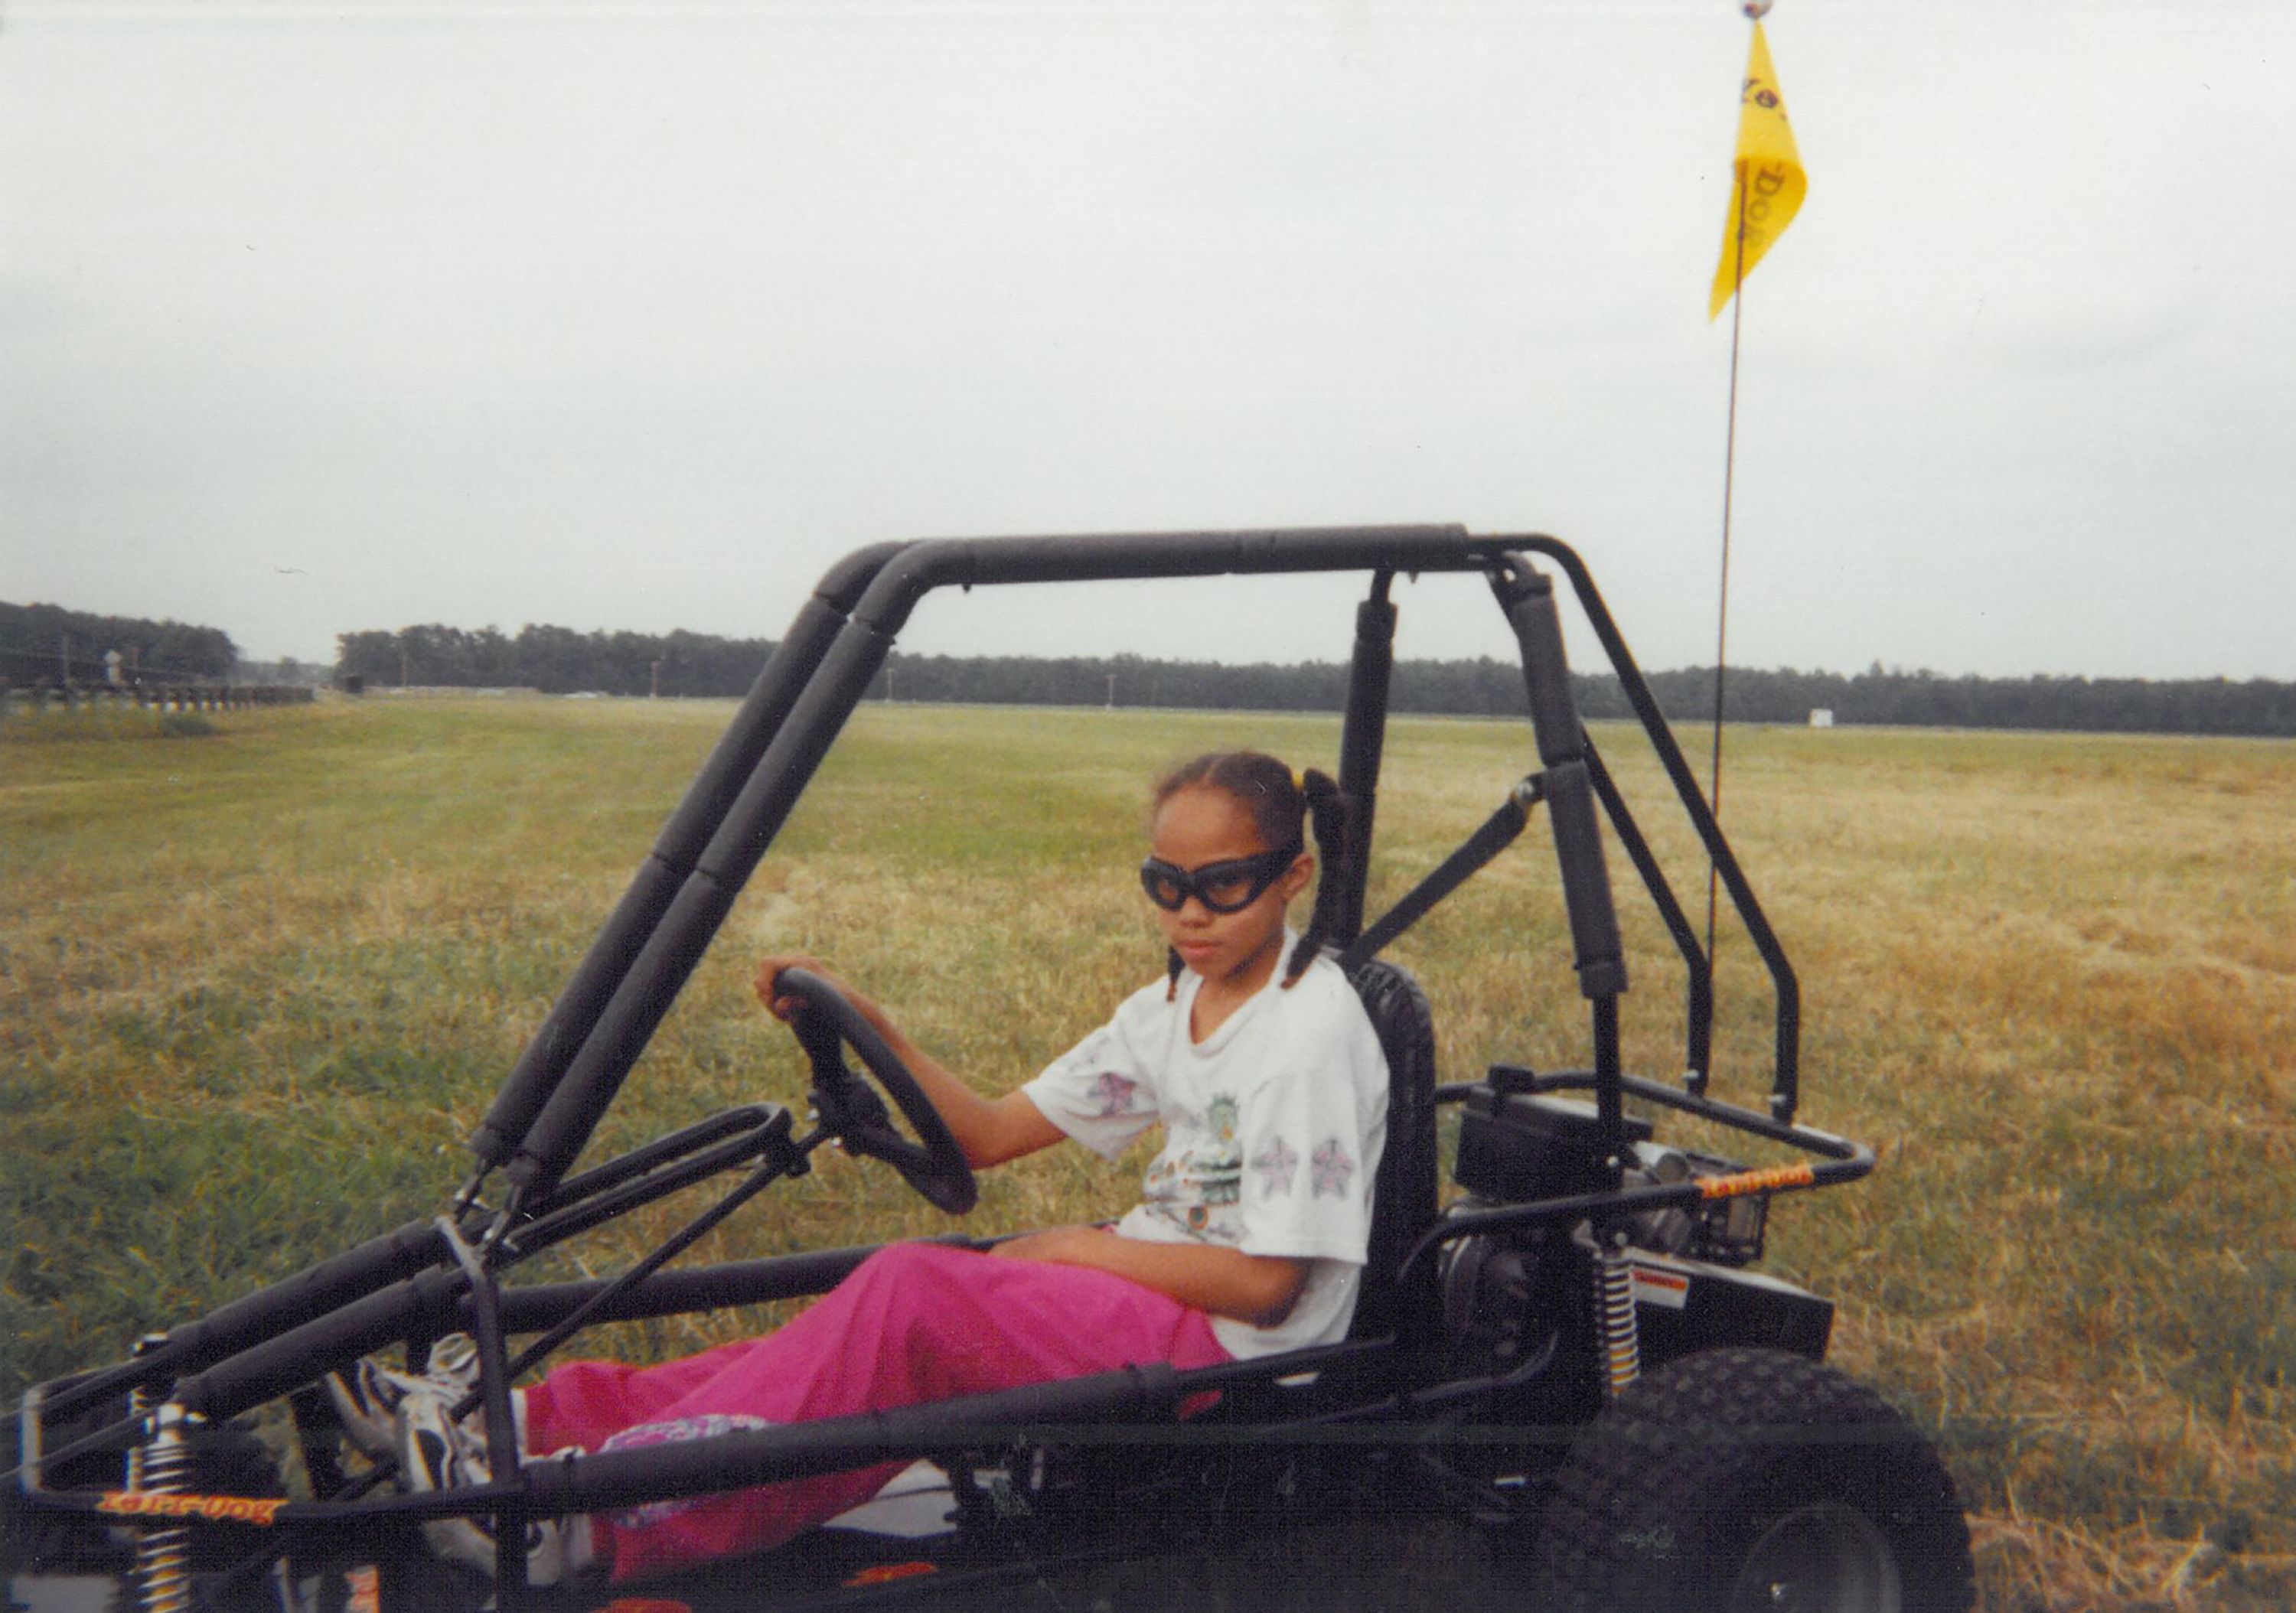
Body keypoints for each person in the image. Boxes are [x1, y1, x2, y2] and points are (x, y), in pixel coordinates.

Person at [334, 750, 1389, 1589]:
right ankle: (525, 1428)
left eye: (1223, 887)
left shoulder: (1303, 1039)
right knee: (847, 1326)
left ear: (1292, 876)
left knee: (912, 1296)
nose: (1190, 915)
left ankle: (600, 1521)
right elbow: (985, 1131)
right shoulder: (1173, 1006)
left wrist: (1075, 1249)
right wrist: (865, 1016)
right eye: (1166, 886)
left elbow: (1269, 1282)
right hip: (1161, 1293)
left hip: (1237, 1357)